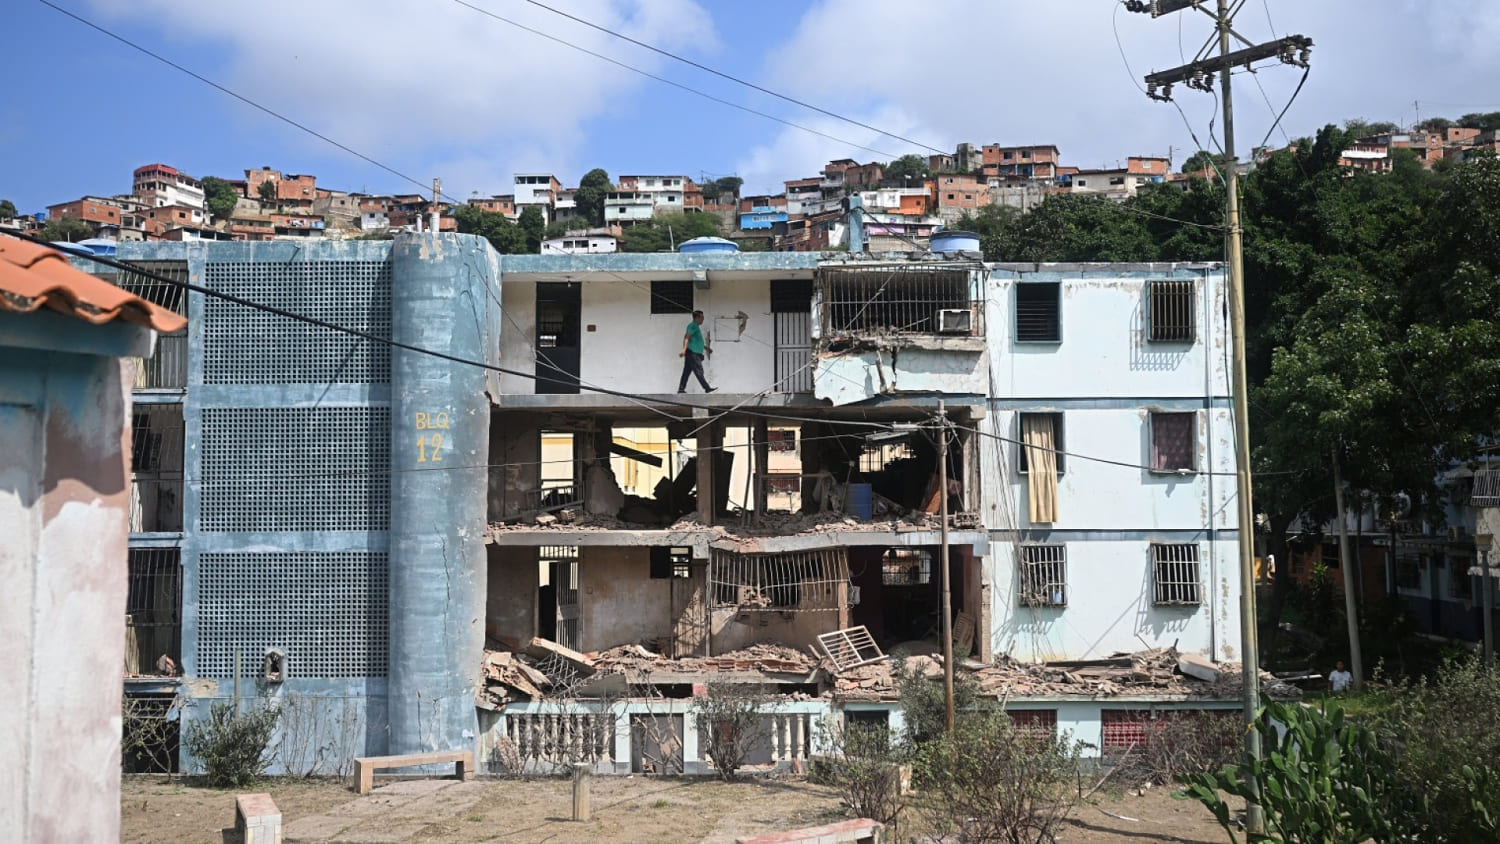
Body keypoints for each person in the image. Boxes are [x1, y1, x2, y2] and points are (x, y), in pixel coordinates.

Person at [677, 310, 716, 393]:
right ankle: (707, 388)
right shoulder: (693, 326)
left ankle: (681, 389)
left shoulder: (695, 327)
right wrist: (683, 349)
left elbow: (696, 341)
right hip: (693, 353)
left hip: (692, 352)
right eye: (702, 317)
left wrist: (706, 348)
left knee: (686, 372)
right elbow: (687, 337)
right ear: (697, 318)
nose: (703, 319)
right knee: (699, 370)